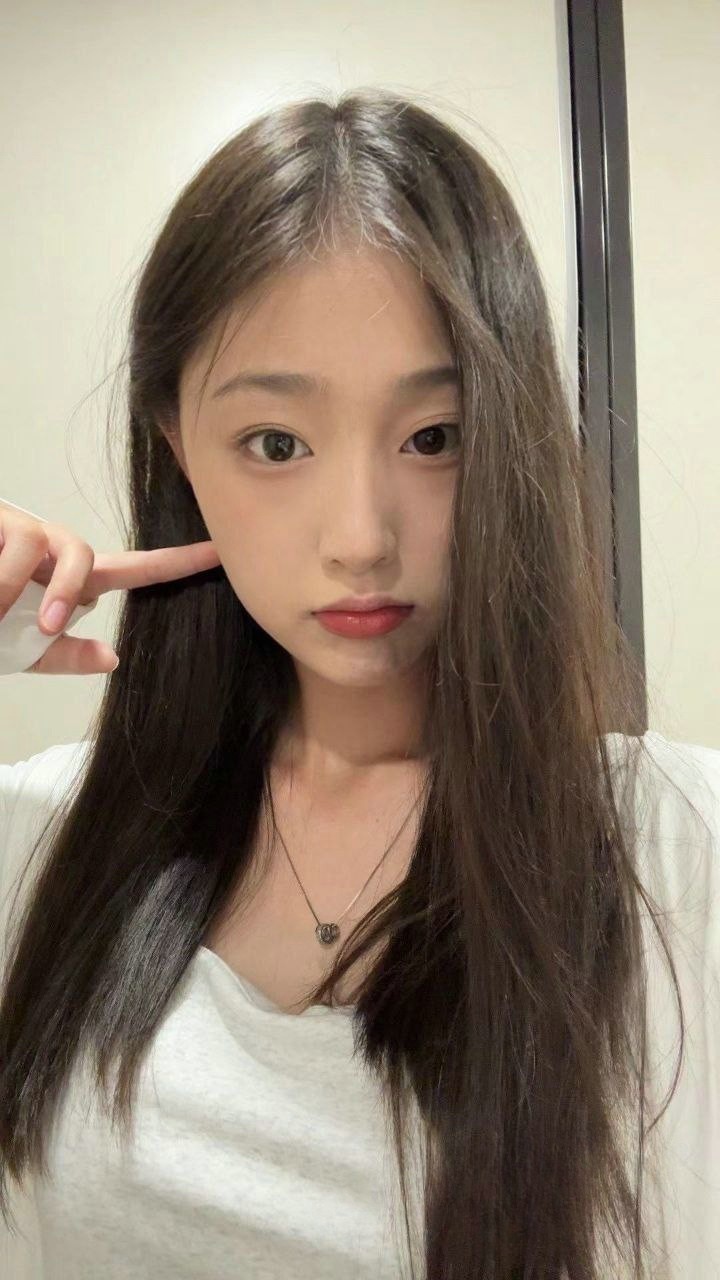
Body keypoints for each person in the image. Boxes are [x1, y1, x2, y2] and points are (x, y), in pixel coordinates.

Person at [1, 90, 718, 1280]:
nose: (361, 538)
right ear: (178, 443)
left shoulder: (676, 849)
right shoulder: (41, 839)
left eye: (435, 437)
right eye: (277, 444)